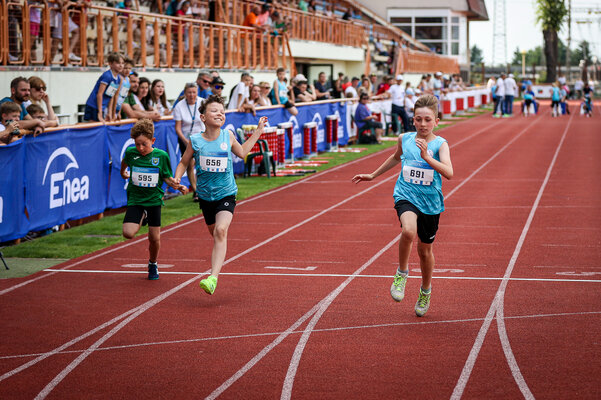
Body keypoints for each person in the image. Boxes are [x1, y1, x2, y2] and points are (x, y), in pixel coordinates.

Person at [352, 94, 453, 317]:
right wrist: (372, 175)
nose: (423, 124)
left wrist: (427, 157)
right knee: (408, 230)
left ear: (437, 120)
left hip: (431, 202)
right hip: (405, 195)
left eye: (428, 119)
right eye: (419, 119)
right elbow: (396, 157)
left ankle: (425, 290)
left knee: (425, 251)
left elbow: (449, 173)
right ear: (413, 120)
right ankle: (402, 273)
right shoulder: (405, 138)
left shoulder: (440, 144)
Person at [173, 95, 268, 295]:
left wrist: (258, 131)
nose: (220, 114)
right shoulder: (196, 140)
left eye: (222, 112)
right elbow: (183, 162)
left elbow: (242, 152)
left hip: (226, 193)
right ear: (203, 117)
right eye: (214, 111)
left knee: (221, 231)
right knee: (215, 233)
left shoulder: (228, 136)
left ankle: (212, 278)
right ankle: (219, 254)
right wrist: (177, 179)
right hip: (206, 197)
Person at [120, 119, 188, 280]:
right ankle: (142, 216)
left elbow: (166, 177)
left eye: (144, 144)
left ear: (153, 141)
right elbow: (124, 163)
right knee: (128, 233)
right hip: (136, 199)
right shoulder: (131, 153)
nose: (140, 148)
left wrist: (178, 186)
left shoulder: (161, 156)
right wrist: (123, 172)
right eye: (137, 144)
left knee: (154, 238)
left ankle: (152, 263)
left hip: (154, 200)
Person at [172, 82, 205, 201]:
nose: (191, 95)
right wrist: (186, 141)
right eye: (189, 92)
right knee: (189, 164)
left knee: (202, 163)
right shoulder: (179, 106)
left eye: (194, 92)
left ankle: (203, 188)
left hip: (201, 136)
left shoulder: (203, 102)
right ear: (185, 93)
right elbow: (178, 128)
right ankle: (196, 191)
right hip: (186, 138)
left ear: (197, 92)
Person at [83, 52, 124, 122]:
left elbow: (111, 96)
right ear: (111, 64)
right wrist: (99, 113)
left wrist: (110, 112)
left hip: (102, 107)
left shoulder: (119, 79)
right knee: (94, 127)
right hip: (93, 105)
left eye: (122, 63)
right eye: (118, 63)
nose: (121, 65)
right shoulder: (107, 76)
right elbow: (99, 94)